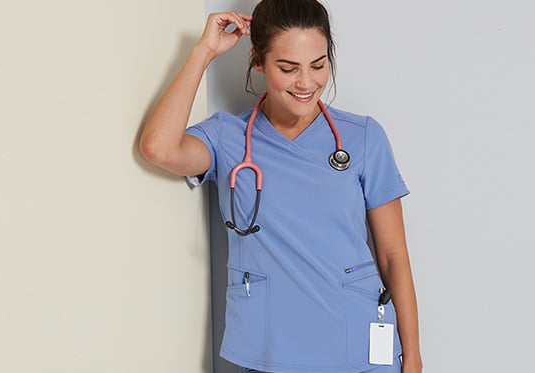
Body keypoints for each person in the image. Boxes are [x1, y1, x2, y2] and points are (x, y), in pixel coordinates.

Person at [139, 0, 422, 372]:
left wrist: (413, 359)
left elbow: (393, 257)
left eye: (318, 65)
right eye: (288, 68)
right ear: (258, 61)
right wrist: (204, 51)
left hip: (357, 349)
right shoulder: (228, 138)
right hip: (269, 353)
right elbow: (158, 147)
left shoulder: (363, 138)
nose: (306, 83)